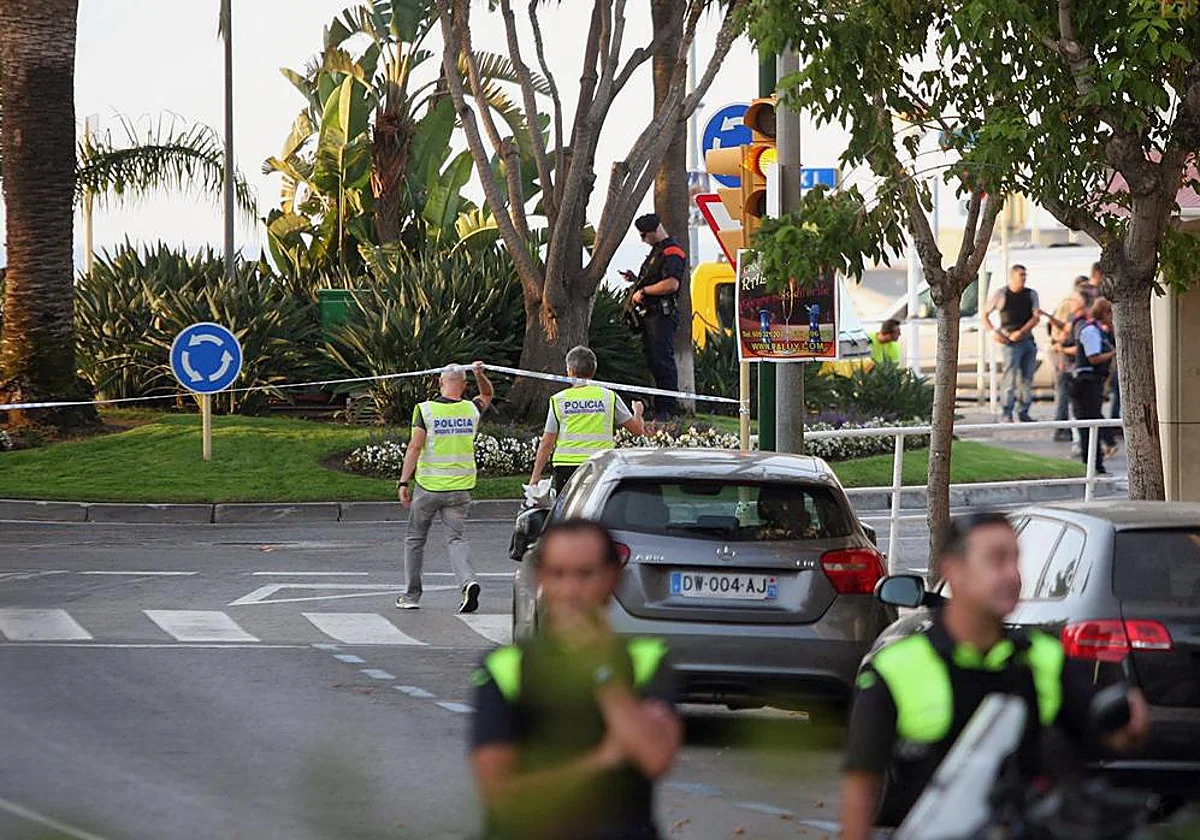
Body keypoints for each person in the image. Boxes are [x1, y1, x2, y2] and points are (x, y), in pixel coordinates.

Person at [839, 512, 1149, 839]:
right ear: (953, 571)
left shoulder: (1043, 658)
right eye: (996, 560)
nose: (1012, 575)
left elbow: (1104, 735)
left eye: (1015, 560)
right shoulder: (895, 667)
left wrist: (1131, 731)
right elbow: (862, 786)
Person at [469, 519, 682, 840]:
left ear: (613, 578)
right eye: (558, 574)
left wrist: (600, 668)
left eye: (585, 575)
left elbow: (653, 757)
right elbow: (500, 794)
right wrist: (601, 760)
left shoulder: (647, 659)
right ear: (539, 579)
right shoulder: (505, 667)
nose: (570, 591)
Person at [395, 362, 493, 613]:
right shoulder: (472, 409)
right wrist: (479, 374)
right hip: (460, 489)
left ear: (440, 382)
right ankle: (468, 582)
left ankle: (411, 595)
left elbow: (415, 446)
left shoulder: (425, 410)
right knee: (456, 539)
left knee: (415, 540)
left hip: (428, 486)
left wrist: (404, 481)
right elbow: (487, 395)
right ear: (464, 385)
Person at [529, 346, 646, 495]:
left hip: (566, 466)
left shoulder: (558, 400)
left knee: (567, 514)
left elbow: (547, 441)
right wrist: (638, 412)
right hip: (600, 464)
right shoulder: (609, 397)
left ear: (570, 371)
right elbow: (637, 430)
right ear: (593, 370)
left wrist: (535, 476)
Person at [623, 213, 686, 421]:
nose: (642, 240)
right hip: (651, 316)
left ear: (654, 231)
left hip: (662, 315)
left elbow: (671, 283)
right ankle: (660, 406)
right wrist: (635, 280)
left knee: (662, 360)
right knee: (654, 360)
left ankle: (667, 408)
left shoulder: (671, 251)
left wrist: (645, 292)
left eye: (643, 235)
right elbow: (655, 277)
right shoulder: (657, 252)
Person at [983, 265, 1041, 422]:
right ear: (1012, 276)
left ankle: (1024, 411)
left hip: (1027, 340)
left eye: (1024, 275)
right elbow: (985, 314)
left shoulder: (1030, 294)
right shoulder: (1001, 294)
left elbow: (1036, 316)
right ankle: (1006, 412)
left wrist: (1022, 332)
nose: (1023, 278)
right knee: (1009, 378)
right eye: (1020, 275)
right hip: (1010, 342)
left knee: (1027, 378)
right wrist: (993, 332)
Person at [1065, 297, 1116, 473]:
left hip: (1092, 382)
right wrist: (1113, 354)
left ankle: (1096, 461)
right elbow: (1093, 357)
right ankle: (1093, 463)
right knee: (1089, 424)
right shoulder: (1091, 331)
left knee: (1092, 421)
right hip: (1085, 382)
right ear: (1104, 313)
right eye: (1110, 312)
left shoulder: (1099, 331)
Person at [1044, 277, 1090, 443]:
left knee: (1071, 393)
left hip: (1069, 357)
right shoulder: (1067, 308)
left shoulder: (1079, 315)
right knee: (1064, 391)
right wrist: (1063, 356)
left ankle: (1070, 428)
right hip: (1063, 356)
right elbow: (1058, 339)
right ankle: (1062, 427)